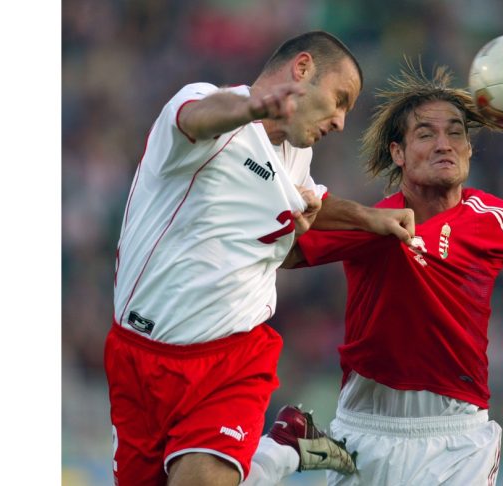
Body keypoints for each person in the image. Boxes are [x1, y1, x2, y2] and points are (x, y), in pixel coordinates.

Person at [280, 62, 503, 485]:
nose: (444, 144)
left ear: (470, 149)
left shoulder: (493, 218)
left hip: (458, 439)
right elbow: (286, 255)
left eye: (456, 133)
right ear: (397, 153)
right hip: (366, 434)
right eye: (425, 134)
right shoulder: (372, 223)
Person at [104, 31, 415, 486]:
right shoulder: (202, 104)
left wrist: (371, 219)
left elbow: (307, 199)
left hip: (231, 358)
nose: (341, 121)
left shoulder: (296, 154)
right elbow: (198, 119)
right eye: (339, 100)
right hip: (138, 358)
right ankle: (284, 447)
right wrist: (254, 108)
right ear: (303, 68)